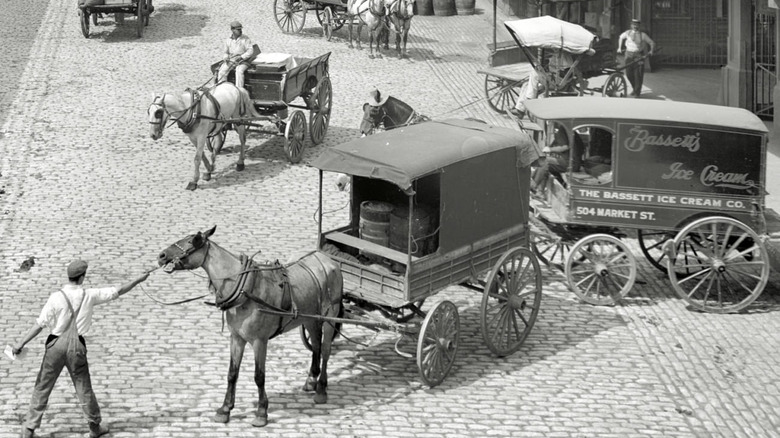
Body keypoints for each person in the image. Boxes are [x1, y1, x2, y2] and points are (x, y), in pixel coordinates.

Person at [12, 260, 150, 438]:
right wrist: (139, 280)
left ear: (69, 276)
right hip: (77, 346)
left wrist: (21, 343)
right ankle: (94, 428)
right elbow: (119, 290)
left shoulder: (56, 296)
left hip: (55, 345)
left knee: (43, 386)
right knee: (83, 387)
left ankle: (28, 429)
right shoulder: (90, 295)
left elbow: (40, 324)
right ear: (82, 277)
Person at [512, 50, 575, 117]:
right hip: (552, 78)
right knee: (526, 84)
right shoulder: (555, 55)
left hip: (559, 81)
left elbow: (568, 73)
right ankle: (520, 109)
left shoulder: (564, 56)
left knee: (535, 73)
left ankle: (530, 98)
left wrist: (552, 74)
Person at [531, 123, 577, 197]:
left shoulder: (563, 129)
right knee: (546, 166)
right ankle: (539, 192)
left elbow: (565, 147)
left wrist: (549, 149)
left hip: (569, 162)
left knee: (545, 161)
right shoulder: (565, 129)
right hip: (569, 161)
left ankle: (533, 185)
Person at [617, 18, 655, 97]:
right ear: (631, 25)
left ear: (639, 26)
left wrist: (651, 50)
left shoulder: (643, 35)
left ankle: (637, 92)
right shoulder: (627, 33)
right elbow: (620, 37)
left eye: (637, 25)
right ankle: (635, 88)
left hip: (638, 55)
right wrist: (619, 47)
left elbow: (652, 42)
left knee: (638, 75)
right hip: (628, 54)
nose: (635, 26)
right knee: (629, 74)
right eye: (634, 25)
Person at [216, 21, 255, 89]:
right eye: (238, 29)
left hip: (243, 61)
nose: (240, 31)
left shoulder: (245, 39)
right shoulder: (228, 40)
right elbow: (225, 52)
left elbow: (250, 51)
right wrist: (226, 57)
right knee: (222, 71)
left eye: (240, 29)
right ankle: (222, 89)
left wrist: (241, 57)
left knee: (239, 71)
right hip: (231, 60)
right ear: (232, 30)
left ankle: (239, 90)